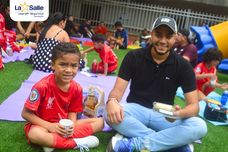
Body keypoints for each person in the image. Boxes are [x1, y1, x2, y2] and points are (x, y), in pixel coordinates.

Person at [105, 16, 207, 152]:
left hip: (165, 115)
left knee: (199, 126)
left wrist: (179, 113)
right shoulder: (133, 56)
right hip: (136, 110)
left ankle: (137, 144)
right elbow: (117, 91)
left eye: (169, 36)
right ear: (151, 35)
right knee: (108, 112)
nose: (163, 41)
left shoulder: (183, 65)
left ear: (175, 38)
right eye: (158, 35)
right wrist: (112, 101)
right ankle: (173, 145)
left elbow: (194, 106)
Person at [21, 42, 104, 152]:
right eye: (63, 64)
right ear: (52, 65)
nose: (68, 70)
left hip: (64, 125)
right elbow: (25, 113)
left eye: (73, 66)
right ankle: (76, 143)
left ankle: (52, 142)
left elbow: (73, 112)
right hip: (43, 126)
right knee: (35, 134)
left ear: (78, 66)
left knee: (100, 123)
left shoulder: (77, 88)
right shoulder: (42, 86)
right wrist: (50, 127)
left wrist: (72, 126)